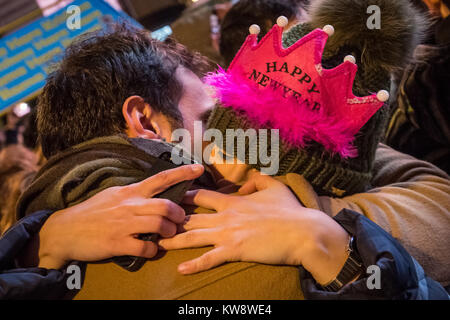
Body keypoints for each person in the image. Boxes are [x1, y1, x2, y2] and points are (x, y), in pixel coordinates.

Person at [7, 3, 449, 298]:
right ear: (146, 123)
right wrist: (308, 193)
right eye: (213, 119)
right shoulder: (231, 244)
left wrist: (37, 240)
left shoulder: (46, 246)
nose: (238, 132)